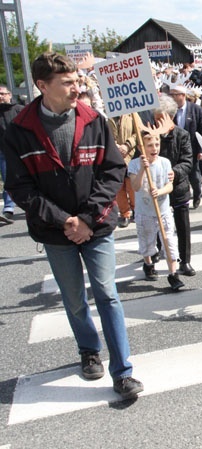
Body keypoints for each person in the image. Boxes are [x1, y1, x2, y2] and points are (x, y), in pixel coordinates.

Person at [3, 52, 143, 399]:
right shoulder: (19, 129)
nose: (77, 88)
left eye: (77, 81)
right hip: (55, 231)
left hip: (96, 226)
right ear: (42, 86)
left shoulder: (93, 118)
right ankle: (88, 350)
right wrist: (63, 220)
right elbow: (19, 187)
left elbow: (112, 171)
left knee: (108, 293)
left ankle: (123, 371)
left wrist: (86, 218)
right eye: (67, 82)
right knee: (74, 299)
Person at [128, 132, 184, 291]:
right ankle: (148, 264)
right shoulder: (134, 165)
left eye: (157, 144)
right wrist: (142, 170)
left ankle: (173, 274)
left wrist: (160, 192)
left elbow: (170, 185)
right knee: (147, 241)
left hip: (163, 210)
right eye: (150, 145)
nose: (154, 148)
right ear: (141, 147)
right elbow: (136, 187)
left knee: (169, 242)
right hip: (144, 211)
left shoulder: (165, 162)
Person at [154, 94, 195, 276]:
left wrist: (175, 172)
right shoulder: (151, 135)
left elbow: (187, 161)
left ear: (170, 117)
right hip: (158, 188)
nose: (157, 123)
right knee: (156, 222)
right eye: (156, 119)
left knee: (182, 225)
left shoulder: (182, 135)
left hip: (178, 187)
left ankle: (185, 261)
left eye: (161, 118)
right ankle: (155, 253)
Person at [170, 85, 202, 210]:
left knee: (194, 176)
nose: (172, 97)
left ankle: (197, 195)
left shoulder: (196, 109)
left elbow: (201, 130)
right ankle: (182, 198)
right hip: (176, 150)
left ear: (182, 95)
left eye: (174, 95)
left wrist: (201, 150)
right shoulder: (170, 110)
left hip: (193, 149)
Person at [108, 113, 141, 228]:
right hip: (115, 156)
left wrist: (127, 145)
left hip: (131, 155)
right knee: (119, 187)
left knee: (131, 185)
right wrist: (114, 145)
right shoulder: (109, 117)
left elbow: (138, 132)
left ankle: (136, 210)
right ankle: (124, 214)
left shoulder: (132, 115)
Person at [0, 84, 23, 224]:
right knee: (8, 180)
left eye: (3, 94)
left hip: (23, 151)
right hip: (4, 153)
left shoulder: (20, 110)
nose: (0, 97)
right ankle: (8, 210)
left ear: (9, 95)